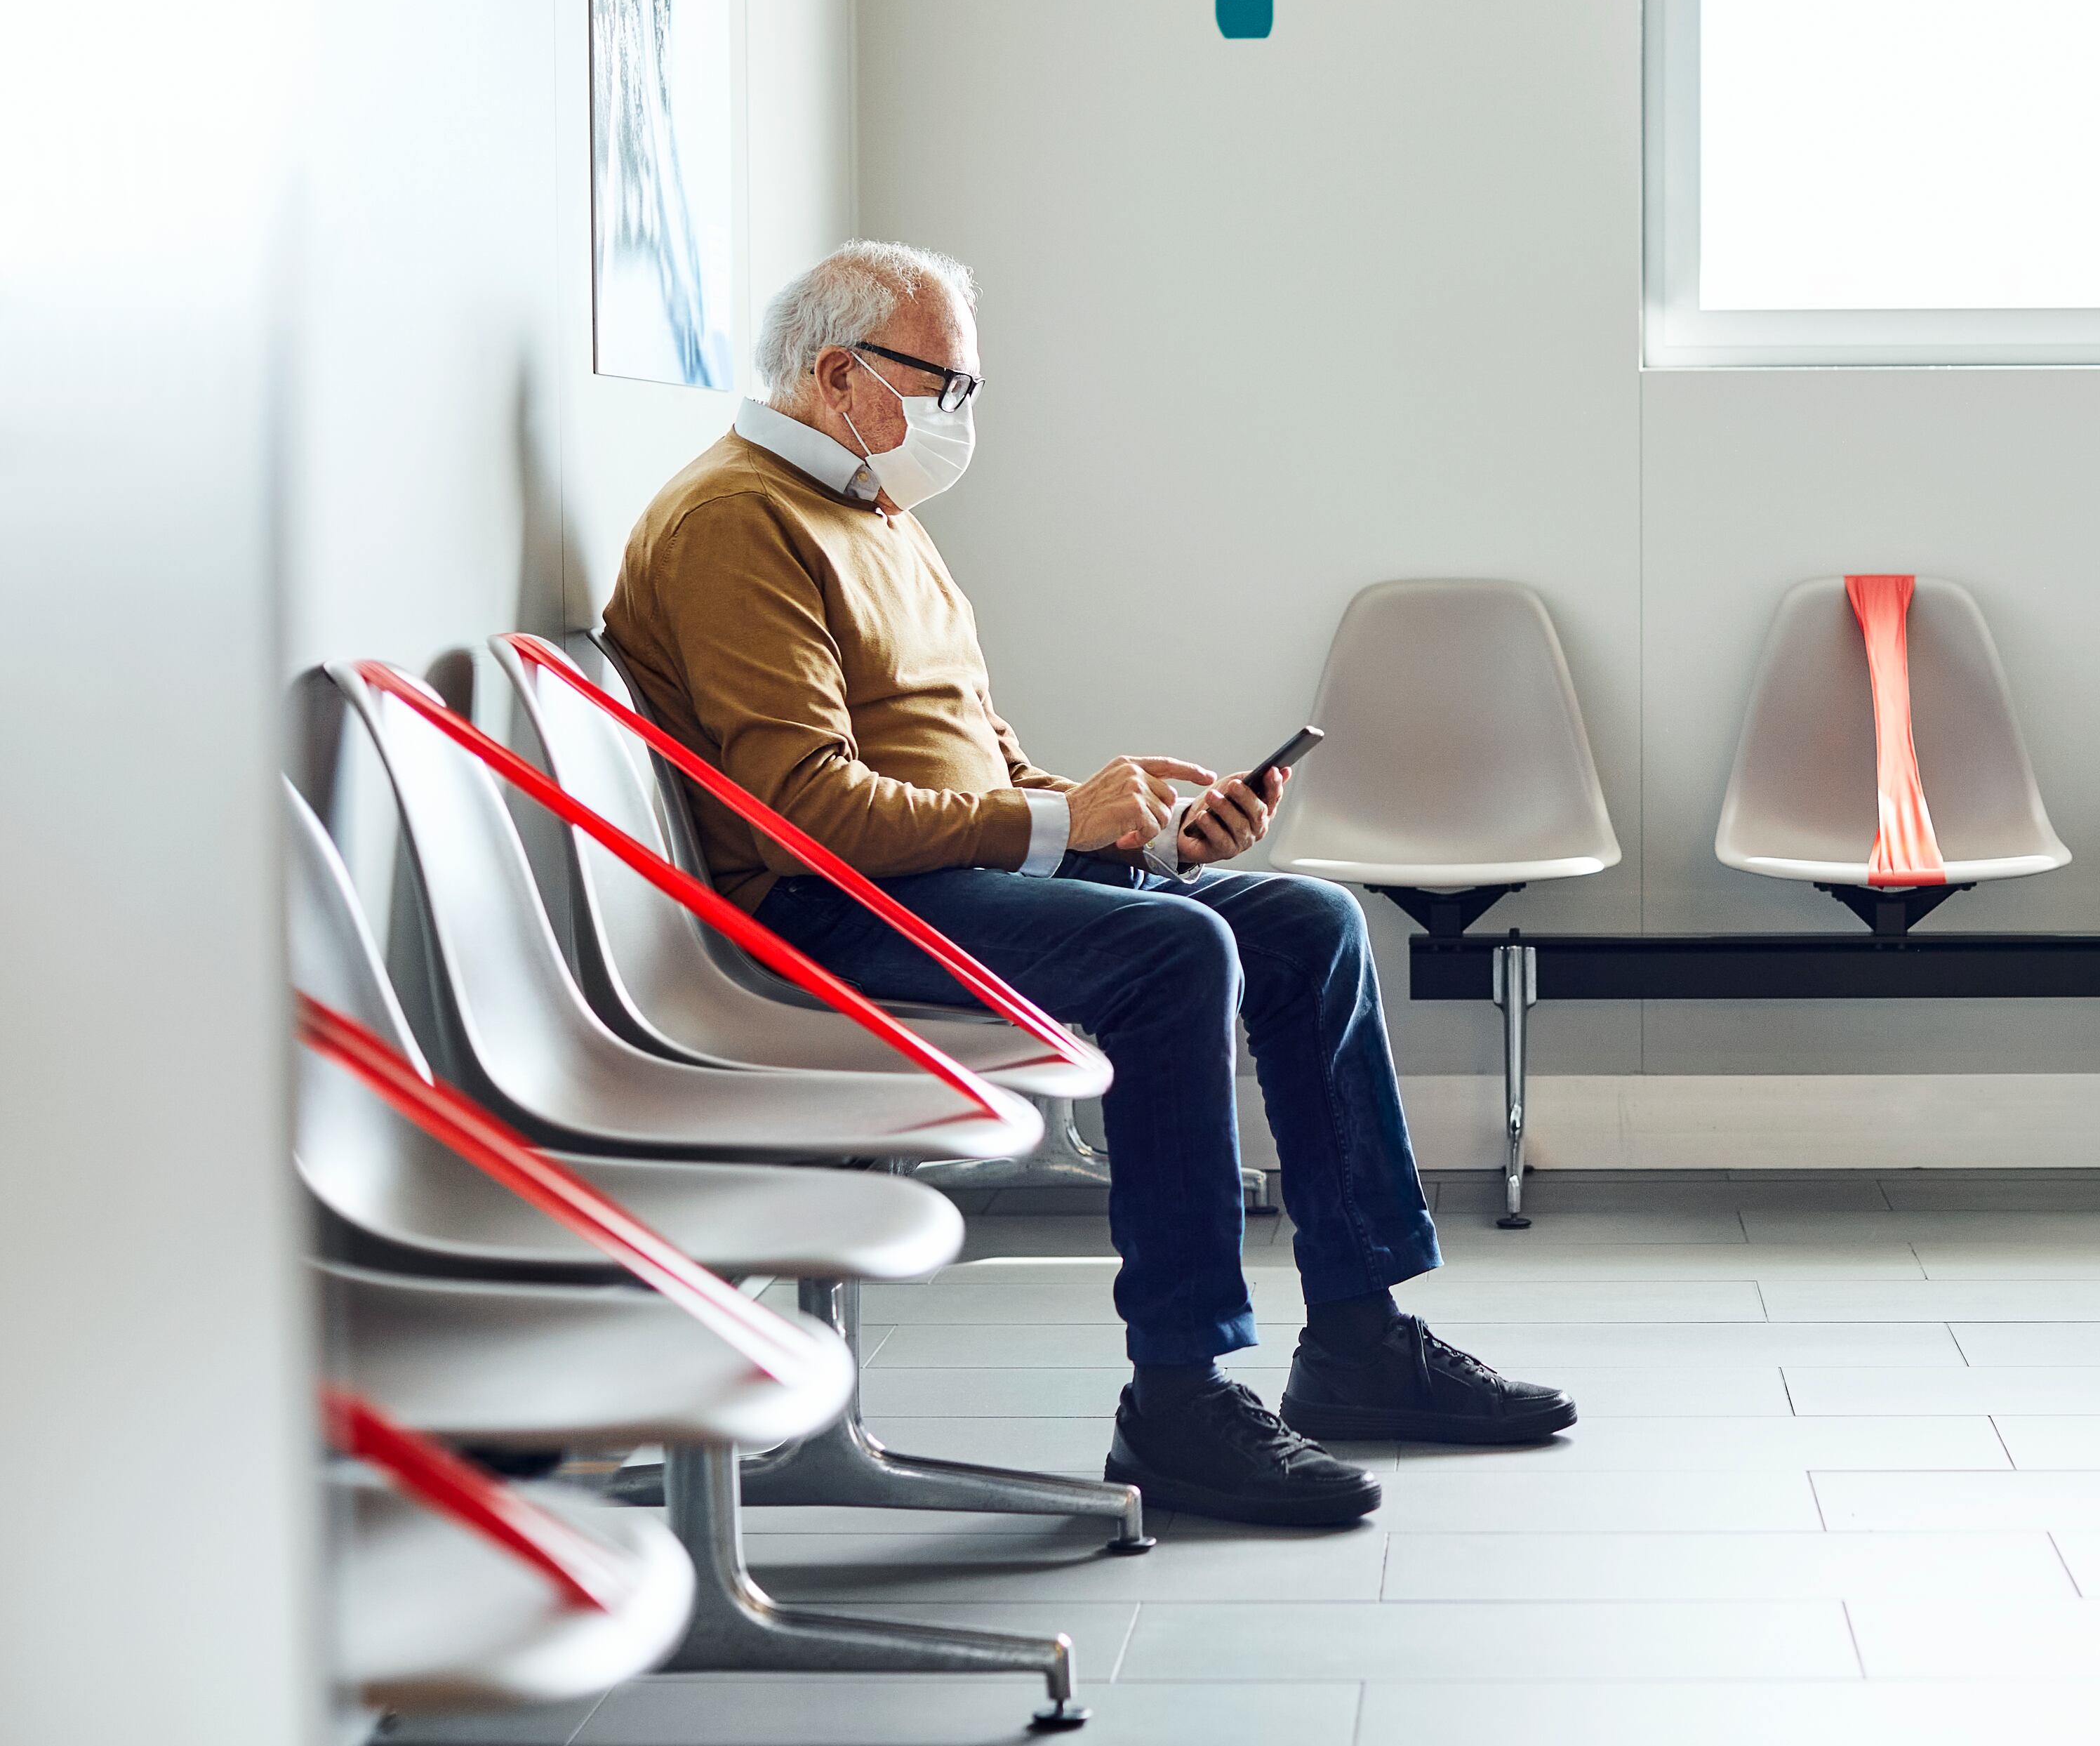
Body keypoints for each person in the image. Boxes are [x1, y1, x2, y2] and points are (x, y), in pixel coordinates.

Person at [604, 241, 1571, 1528]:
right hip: (827, 916)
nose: (962, 417)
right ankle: (1176, 1399)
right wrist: (1066, 822)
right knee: (1178, 960)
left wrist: (1146, 841)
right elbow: (803, 815)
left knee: (1306, 923)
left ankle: (1357, 1336)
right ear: (839, 375)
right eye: (942, 384)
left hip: (940, 885)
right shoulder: (738, 520)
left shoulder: (880, 517)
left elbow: (984, 767)